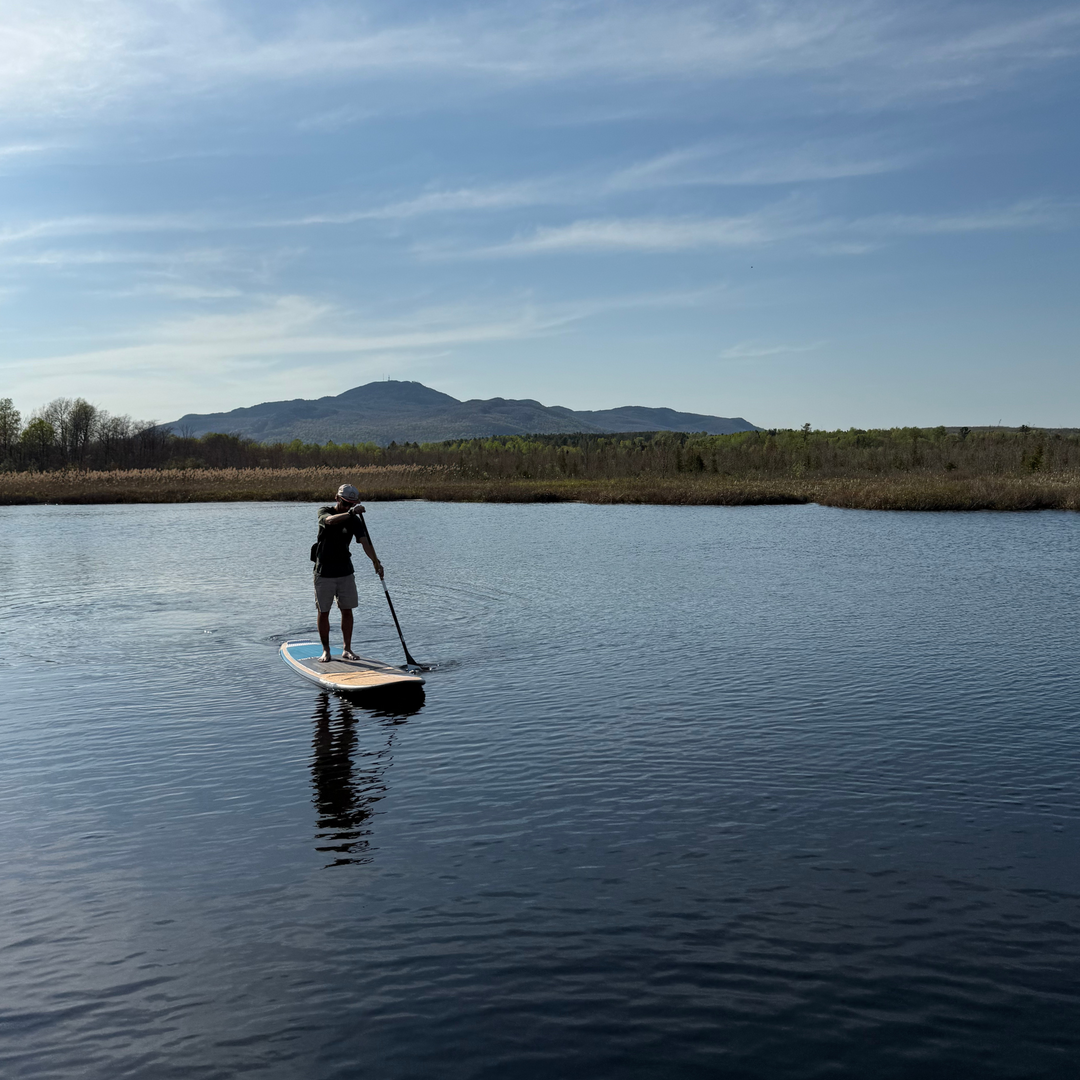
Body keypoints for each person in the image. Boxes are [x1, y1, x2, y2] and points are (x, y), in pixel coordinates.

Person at [313, 483, 384, 663]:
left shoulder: (354, 520)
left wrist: (376, 562)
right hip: (324, 572)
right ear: (337, 499)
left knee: (347, 610)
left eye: (350, 505)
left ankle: (347, 649)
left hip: (345, 571)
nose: (347, 507)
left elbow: (365, 542)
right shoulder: (325, 511)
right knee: (324, 611)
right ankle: (326, 651)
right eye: (344, 503)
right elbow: (329, 521)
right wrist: (351, 513)